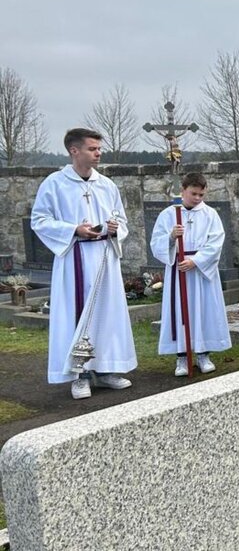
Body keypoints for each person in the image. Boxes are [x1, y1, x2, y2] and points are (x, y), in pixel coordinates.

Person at [31, 128, 136, 399]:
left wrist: (114, 228)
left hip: (104, 257)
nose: (98, 153)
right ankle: (79, 374)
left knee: (107, 314)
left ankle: (107, 369)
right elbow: (40, 221)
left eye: (99, 148)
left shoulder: (107, 185)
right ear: (74, 151)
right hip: (75, 258)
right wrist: (73, 229)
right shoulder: (55, 184)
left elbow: (121, 220)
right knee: (76, 314)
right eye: (92, 148)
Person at [150, 172, 231, 376]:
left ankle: (203, 353)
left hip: (200, 270)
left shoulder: (210, 214)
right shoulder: (169, 214)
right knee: (180, 311)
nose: (197, 198)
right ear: (183, 190)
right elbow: (156, 242)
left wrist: (196, 261)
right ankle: (182, 358)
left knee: (203, 311)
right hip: (178, 269)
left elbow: (216, 242)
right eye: (193, 193)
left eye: (201, 195)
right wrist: (171, 237)